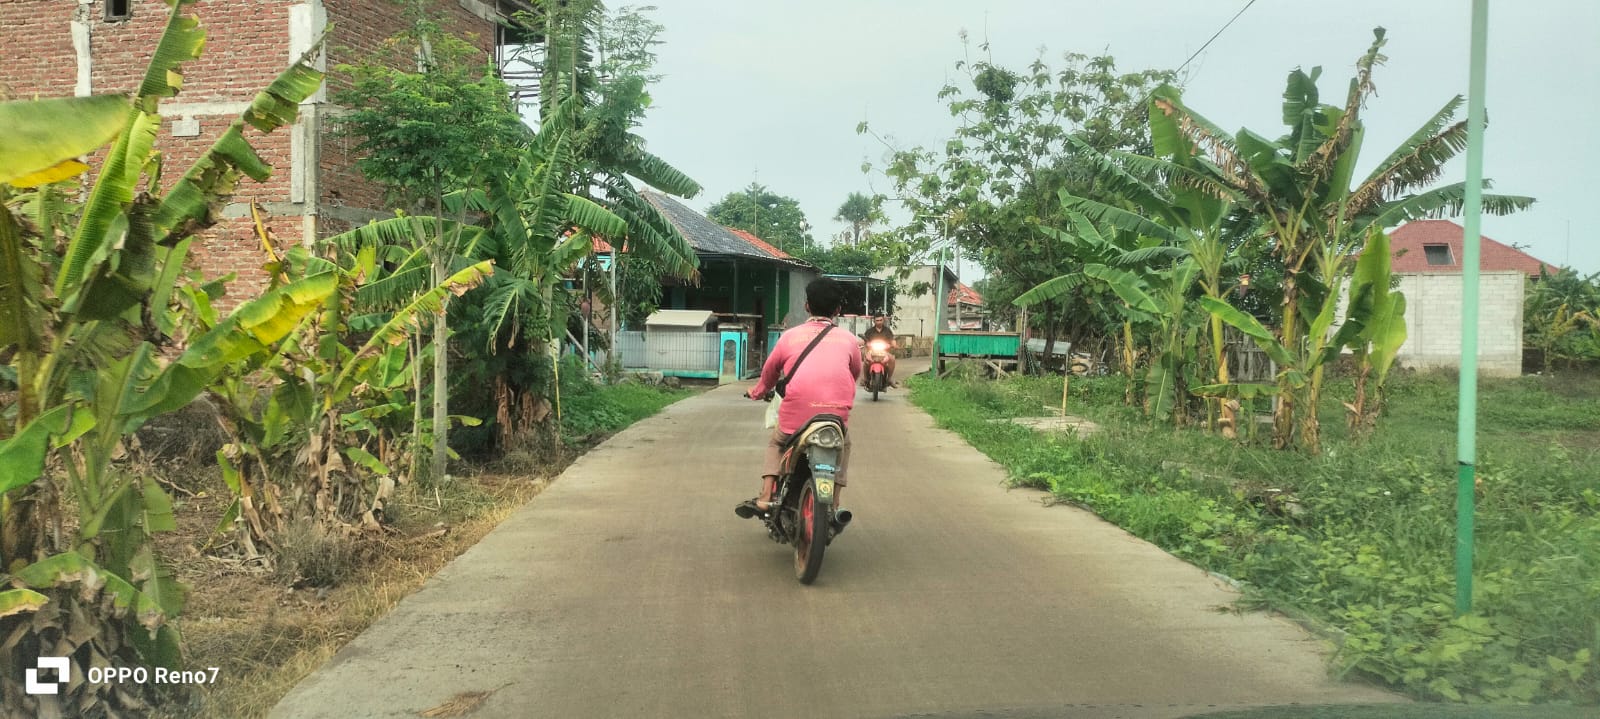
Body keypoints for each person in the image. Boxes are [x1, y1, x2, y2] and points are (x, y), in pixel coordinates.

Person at [740, 278, 861, 514]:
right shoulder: (849, 340)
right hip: (834, 417)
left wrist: (757, 392)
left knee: (777, 442)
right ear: (837, 310)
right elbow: (854, 373)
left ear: (807, 306)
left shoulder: (789, 337)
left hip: (796, 417)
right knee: (843, 445)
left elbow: (770, 373)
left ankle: (765, 496)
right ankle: (834, 503)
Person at [860, 312, 898, 387]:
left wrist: (894, 344)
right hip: (872, 351)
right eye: (877, 320)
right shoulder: (870, 331)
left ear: (883, 320)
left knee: (892, 359)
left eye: (881, 320)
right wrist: (861, 343)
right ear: (874, 321)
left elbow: (892, 339)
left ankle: (889, 378)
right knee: (866, 360)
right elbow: (864, 339)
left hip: (884, 352)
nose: (879, 322)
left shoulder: (887, 331)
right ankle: (865, 379)